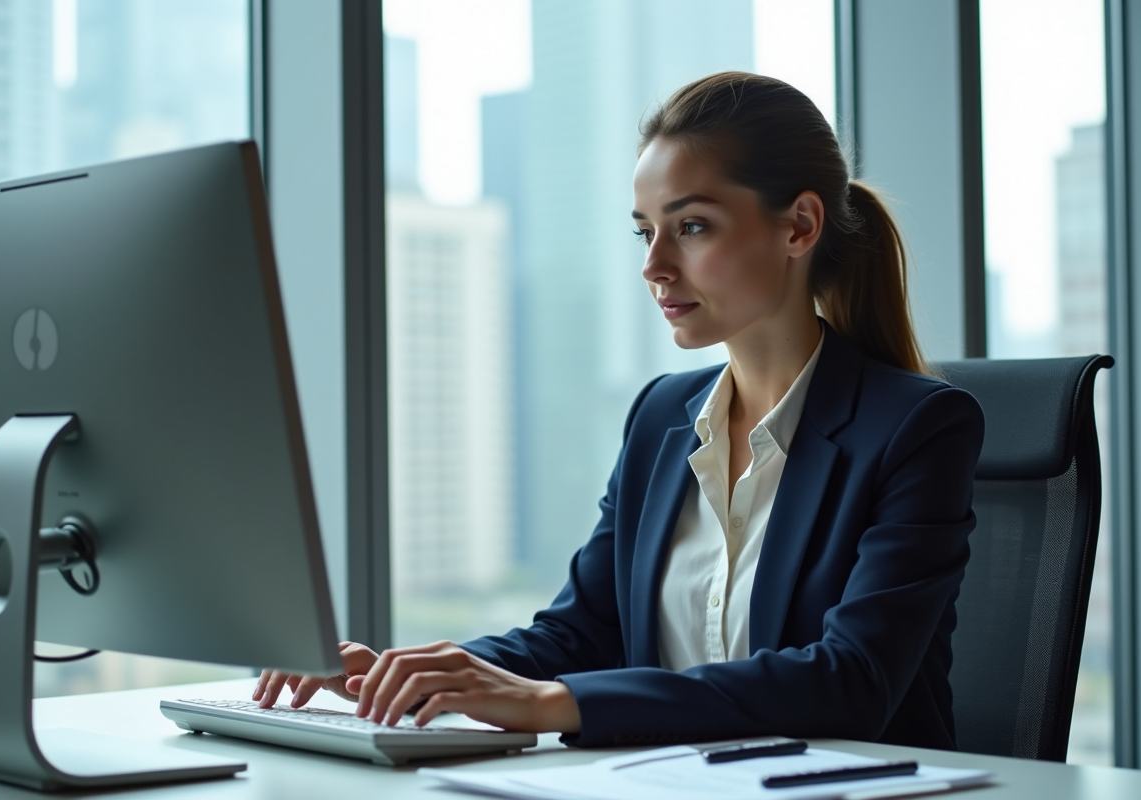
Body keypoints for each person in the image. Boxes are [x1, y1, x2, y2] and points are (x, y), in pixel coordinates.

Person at [255, 71, 984, 751]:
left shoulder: (917, 428)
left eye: (691, 226)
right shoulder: (662, 417)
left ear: (798, 226)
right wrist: (401, 672)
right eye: (645, 231)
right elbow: (580, 632)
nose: (654, 264)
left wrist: (555, 705)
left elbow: (850, 682)